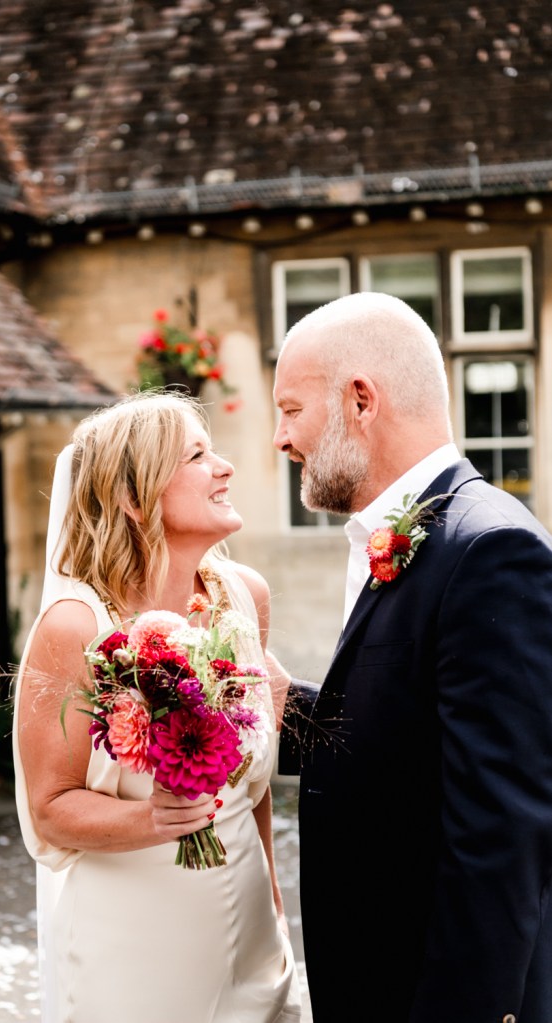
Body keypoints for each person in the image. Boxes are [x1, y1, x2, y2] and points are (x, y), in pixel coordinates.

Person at [272, 291, 552, 1023]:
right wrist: (291, 707)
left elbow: (499, 831)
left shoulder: (488, 547)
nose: (279, 438)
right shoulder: (400, 534)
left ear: (360, 400)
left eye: (291, 410)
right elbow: (412, 741)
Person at [13, 391, 302, 1023]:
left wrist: (276, 904)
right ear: (134, 497)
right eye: (199, 456)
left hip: (254, 941)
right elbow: (49, 809)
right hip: (134, 952)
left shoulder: (244, 598)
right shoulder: (74, 626)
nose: (225, 467)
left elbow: (251, 788)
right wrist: (155, 819)